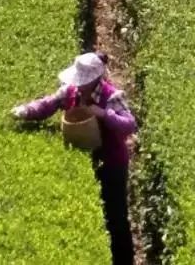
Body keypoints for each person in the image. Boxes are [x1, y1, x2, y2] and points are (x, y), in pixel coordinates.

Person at [12, 52, 137, 265]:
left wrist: (103, 114)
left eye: (83, 82)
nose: (78, 86)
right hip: (84, 156)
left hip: (112, 163)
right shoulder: (70, 92)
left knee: (116, 217)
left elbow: (130, 125)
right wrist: (25, 111)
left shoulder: (112, 96)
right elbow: (47, 105)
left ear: (95, 79)